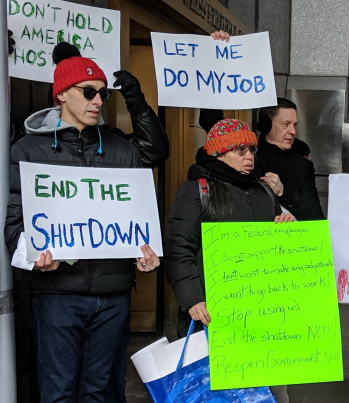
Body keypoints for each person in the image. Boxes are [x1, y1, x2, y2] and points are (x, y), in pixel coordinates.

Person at [4, 42, 163, 403]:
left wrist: (148, 254)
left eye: (103, 94)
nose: (97, 101)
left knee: (99, 392)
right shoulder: (29, 150)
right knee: (58, 393)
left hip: (113, 293)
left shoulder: (121, 148)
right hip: (58, 295)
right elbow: (15, 222)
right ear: (61, 94)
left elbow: (155, 153)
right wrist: (33, 254)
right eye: (88, 92)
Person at [164, 118, 294, 403]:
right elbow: (178, 248)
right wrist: (193, 300)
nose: (249, 157)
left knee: (273, 394)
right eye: (239, 150)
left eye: (251, 149)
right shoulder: (197, 190)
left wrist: (288, 227)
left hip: (262, 313)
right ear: (218, 154)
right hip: (213, 315)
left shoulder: (264, 191)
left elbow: (277, 249)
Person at [199, 31, 325, 221]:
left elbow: (316, 217)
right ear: (266, 124)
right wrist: (217, 53)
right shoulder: (244, 154)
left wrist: (285, 193)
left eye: (295, 125)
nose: (292, 131)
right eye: (285, 124)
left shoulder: (302, 166)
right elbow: (213, 122)